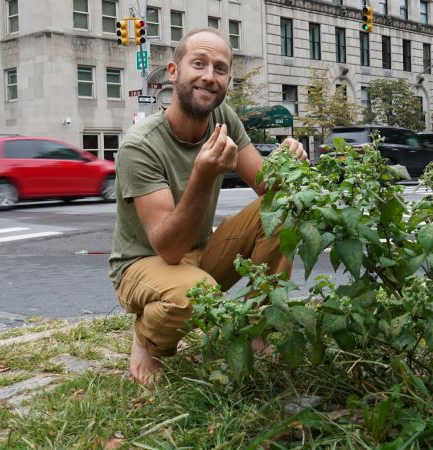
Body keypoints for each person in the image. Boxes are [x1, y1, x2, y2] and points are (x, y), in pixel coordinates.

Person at [108, 27, 307, 384]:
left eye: (219, 68)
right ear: (173, 71)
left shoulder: (223, 118)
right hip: (144, 263)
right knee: (196, 295)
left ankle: (256, 329)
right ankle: (146, 336)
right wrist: (201, 175)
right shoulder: (140, 145)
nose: (209, 77)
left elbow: (266, 186)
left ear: (229, 78)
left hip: (202, 252)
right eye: (198, 64)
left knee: (283, 207)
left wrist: (287, 163)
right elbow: (168, 249)